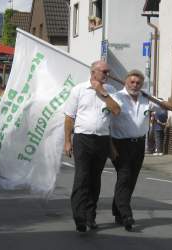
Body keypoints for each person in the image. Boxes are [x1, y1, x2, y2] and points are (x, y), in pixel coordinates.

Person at [64, 60, 120, 233]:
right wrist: (67, 140)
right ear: (93, 72)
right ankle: (79, 217)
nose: (107, 74)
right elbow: (69, 117)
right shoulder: (78, 90)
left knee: (95, 180)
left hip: (102, 139)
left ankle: (90, 217)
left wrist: (101, 92)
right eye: (104, 71)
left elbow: (116, 110)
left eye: (108, 72)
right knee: (82, 178)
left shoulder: (110, 91)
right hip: (82, 138)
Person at [110, 70, 162, 231]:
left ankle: (117, 210)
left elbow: (163, 105)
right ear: (126, 82)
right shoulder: (116, 98)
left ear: (142, 85)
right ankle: (127, 215)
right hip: (120, 144)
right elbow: (105, 120)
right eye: (132, 82)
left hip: (139, 144)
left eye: (138, 83)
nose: (135, 85)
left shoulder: (146, 99)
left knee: (130, 180)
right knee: (124, 176)